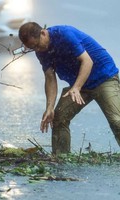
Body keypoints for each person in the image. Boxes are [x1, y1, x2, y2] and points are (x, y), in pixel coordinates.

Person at [18, 22, 120, 154]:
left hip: (103, 77)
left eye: (37, 45)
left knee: (116, 121)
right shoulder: (41, 51)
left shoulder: (64, 34)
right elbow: (50, 78)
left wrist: (76, 87)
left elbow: (87, 61)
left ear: (43, 33)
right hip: (79, 85)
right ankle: (61, 159)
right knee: (58, 118)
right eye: (33, 48)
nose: (37, 50)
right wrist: (49, 107)